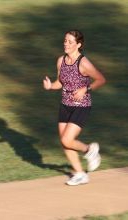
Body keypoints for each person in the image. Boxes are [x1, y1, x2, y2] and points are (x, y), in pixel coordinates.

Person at [43, 30, 106, 186]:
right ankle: (79, 174)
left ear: (78, 45)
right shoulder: (61, 61)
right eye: (65, 40)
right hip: (65, 105)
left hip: (81, 106)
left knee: (67, 139)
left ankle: (89, 150)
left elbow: (101, 79)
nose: (66, 44)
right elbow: (60, 82)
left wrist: (86, 88)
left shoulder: (83, 63)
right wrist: (51, 86)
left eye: (70, 42)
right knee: (65, 142)